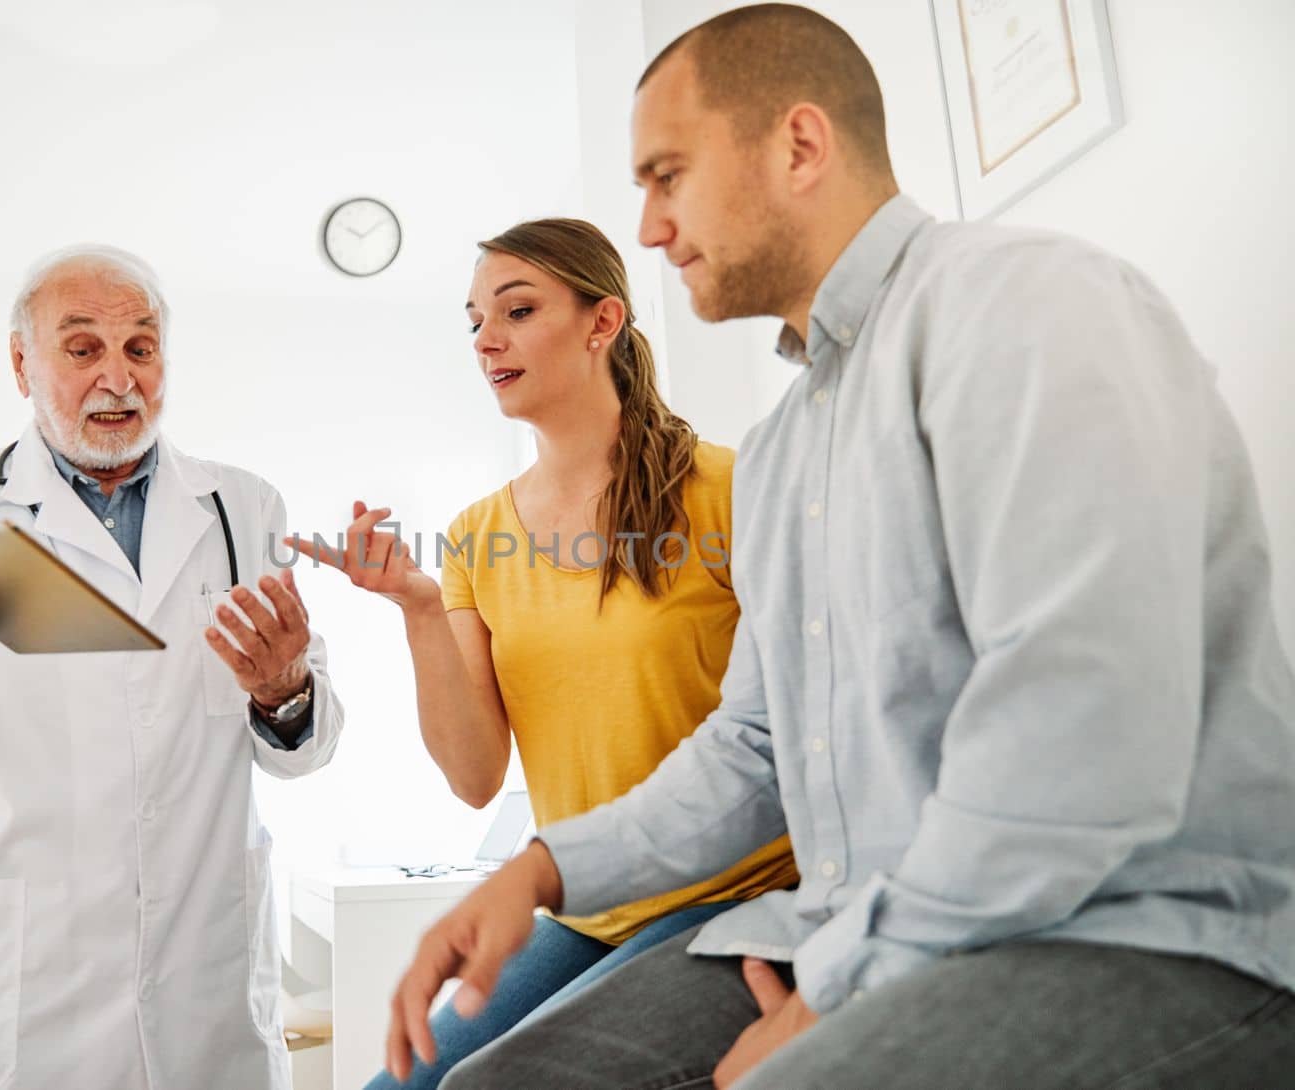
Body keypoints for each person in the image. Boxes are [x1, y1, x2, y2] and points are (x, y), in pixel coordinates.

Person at [386, 6, 1295, 1089]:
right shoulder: (782, 451)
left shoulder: (1024, 306)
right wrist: (541, 868)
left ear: (799, 145)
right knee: (489, 1081)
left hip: (1131, 928)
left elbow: (1081, 725)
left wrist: (837, 989)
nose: (650, 225)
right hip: (845, 920)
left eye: (667, 175)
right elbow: (757, 746)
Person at [292, 218, 796, 1090]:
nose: (488, 338)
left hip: (735, 892)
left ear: (603, 323)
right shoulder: (475, 537)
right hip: (585, 898)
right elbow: (476, 776)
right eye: (476, 320)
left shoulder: (730, 490)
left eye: (518, 310)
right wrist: (418, 610)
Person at [0, 244, 344, 1089]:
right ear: (21, 363)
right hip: (9, 1005)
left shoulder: (241, 508)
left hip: (199, 993)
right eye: (82, 349)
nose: (119, 377)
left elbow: (306, 748)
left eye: (140, 349)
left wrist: (282, 691)